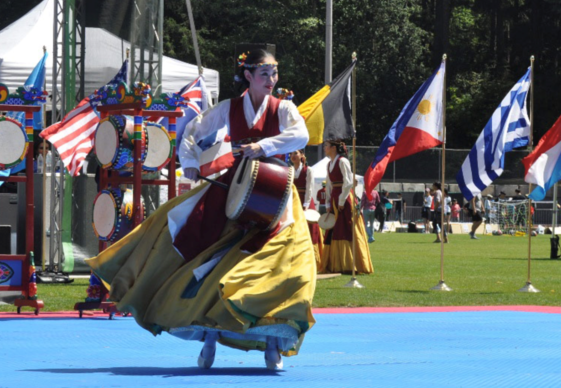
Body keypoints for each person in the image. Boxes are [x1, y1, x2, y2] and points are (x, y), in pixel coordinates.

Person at [86, 49, 314, 370]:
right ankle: (208, 335)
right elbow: (193, 132)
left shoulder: (284, 108)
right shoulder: (228, 109)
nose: (271, 79)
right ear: (248, 75)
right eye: (264, 73)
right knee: (206, 253)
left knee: (286, 265)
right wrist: (191, 162)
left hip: (276, 194)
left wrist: (263, 147)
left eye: (274, 73)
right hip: (236, 188)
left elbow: (300, 135)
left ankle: (273, 343)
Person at [320, 139, 373, 275]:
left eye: (326, 146)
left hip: (344, 199)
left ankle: (350, 263)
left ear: (333, 148)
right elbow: (329, 185)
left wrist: (342, 201)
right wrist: (328, 203)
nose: (324, 148)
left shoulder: (343, 161)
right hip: (334, 199)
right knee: (335, 230)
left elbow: (348, 182)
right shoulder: (329, 164)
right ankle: (336, 263)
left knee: (347, 228)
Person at [291, 149, 322, 264]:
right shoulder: (290, 170)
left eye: (295, 153)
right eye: (291, 154)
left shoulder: (308, 170)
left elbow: (310, 188)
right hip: (294, 201)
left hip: (305, 201)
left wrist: (306, 205)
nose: (292, 156)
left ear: (302, 155)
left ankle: (311, 259)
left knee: (310, 228)